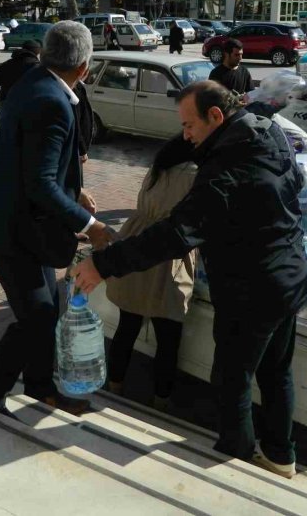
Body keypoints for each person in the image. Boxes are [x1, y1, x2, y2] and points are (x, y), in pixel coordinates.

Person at [73, 80, 307, 478]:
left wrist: (103, 264)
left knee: (232, 379)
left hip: (250, 287)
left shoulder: (226, 167)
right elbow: (295, 183)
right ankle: (281, 458)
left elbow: (178, 231)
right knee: (275, 372)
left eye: (189, 125)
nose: (185, 135)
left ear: (215, 116)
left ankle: (236, 463)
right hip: (290, 273)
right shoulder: (267, 132)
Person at [0, 21, 117, 417]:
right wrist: (91, 225)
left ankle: (38, 386)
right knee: (37, 316)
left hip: (16, 218)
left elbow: (30, 160)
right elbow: (41, 185)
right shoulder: (52, 102)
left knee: (48, 309)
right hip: (10, 227)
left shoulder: (34, 80)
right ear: (83, 67)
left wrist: (75, 191)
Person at [106, 135, 197, 410]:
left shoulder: (158, 167)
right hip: (168, 249)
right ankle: (161, 401)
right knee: (168, 337)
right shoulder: (196, 174)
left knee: (127, 325)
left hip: (134, 240)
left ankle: (114, 387)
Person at [0, 40, 42, 119]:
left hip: (7, 106)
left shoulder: (6, 65)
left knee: (7, 130)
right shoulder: (38, 68)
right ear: (37, 52)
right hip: (30, 106)